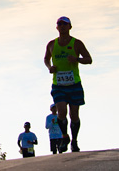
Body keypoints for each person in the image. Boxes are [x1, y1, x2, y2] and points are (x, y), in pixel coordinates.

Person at [44, 16, 92, 153]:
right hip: (58, 84)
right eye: (60, 24)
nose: (62, 26)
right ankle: (65, 137)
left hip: (74, 84)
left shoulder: (76, 43)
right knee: (61, 112)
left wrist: (76, 59)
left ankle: (74, 141)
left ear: (70, 27)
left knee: (74, 115)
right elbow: (46, 58)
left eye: (65, 24)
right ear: (56, 27)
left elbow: (89, 59)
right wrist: (49, 67)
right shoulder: (52, 44)